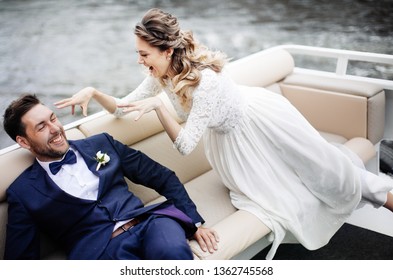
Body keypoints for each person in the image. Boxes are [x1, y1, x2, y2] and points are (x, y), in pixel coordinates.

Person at [55, 8, 393, 259]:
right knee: (286, 190)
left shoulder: (206, 84)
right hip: (233, 146)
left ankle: (384, 197)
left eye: (144, 54)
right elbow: (122, 107)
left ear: (167, 51)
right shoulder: (161, 74)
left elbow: (187, 146)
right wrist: (93, 92)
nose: (140, 61)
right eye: (138, 54)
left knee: (328, 171)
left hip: (261, 123)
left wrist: (160, 108)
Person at [2, 94, 219, 260]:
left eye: (53, 119)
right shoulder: (23, 193)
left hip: (151, 223)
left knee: (172, 252)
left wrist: (195, 222)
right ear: (23, 142)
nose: (55, 129)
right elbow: (20, 259)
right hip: (99, 254)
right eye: (42, 127)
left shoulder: (101, 144)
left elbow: (161, 176)